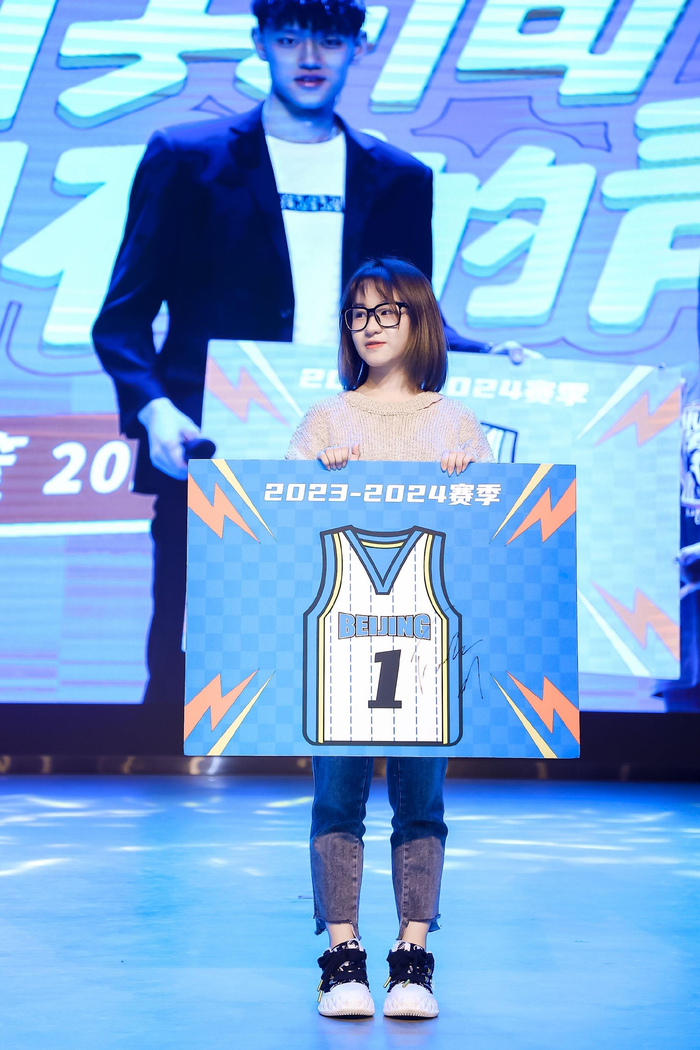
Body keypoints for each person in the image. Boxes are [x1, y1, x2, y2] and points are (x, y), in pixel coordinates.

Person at [92, 0, 520, 713]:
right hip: (216, 442)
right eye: (290, 38)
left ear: (358, 46)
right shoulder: (187, 158)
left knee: (353, 649)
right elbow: (122, 318)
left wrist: (488, 357)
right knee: (194, 657)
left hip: (356, 444)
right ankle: (167, 776)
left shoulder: (400, 177)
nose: (310, 57)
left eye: (329, 39)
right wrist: (154, 408)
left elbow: (410, 316)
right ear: (260, 42)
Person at [285, 256, 495, 1020]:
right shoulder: (324, 419)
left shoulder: (457, 421)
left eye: (385, 312)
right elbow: (279, 530)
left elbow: (489, 539)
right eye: (357, 314)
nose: (368, 327)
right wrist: (318, 479)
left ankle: (413, 959)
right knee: (336, 796)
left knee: (421, 800)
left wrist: (469, 482)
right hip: (342, 635)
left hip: (427, 637)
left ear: (418, 319)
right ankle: (342, 959)